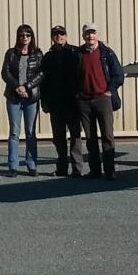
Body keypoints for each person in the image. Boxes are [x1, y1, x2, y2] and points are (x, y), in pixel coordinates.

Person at [75, 21, 124, 180]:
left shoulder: (107, 53)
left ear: (98, 35)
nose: (90, 36)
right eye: (87, 33)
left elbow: (118, 75)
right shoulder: (78, 54)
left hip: (103, 99)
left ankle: (109, 170)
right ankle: (95, 170)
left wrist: (110, 91)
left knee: (107, 136)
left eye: (93, 32)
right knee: (90, 138)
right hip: (84, 101)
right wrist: (77, 94)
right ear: (83, 36)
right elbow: (72, 77)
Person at [40, 24, 83, 177]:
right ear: (52, 37)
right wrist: (44, 102)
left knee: (75, 136)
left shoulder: (75, 52)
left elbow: (81, 76)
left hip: (72, 102)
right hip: (55, 103)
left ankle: (77, 169)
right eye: (56, 34)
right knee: (58, 138)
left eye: (61, 33)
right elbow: (43, 81)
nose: (59, 36)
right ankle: (62, 168)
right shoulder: (48, 56)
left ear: (66, 35)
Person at [1, 23, 44, 176]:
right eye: (22, 35)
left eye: (27, 35)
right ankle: (13, 165)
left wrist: (27, 87)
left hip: (31, 98)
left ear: (31, 37)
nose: (24, 38)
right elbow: (5, 73)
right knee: (14, 132)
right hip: (14, 97)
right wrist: (17, 87)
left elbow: (41, 74)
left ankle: (31, 164)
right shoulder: (11, 53)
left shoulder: (38, 54)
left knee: (31, 132)